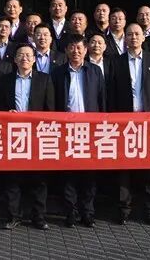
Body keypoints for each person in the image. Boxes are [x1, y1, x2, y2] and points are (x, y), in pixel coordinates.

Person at [110, 24, 150, 225]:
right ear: (125, 38)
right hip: (124, 123)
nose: (133, 37)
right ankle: (124, 209)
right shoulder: (116, 61)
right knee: (124, 168)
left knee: (149, 167)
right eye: (130, 34)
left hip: (148, 122)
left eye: (137, 34)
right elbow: (112, 92)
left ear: (144, 38)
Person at [50, 34, 106, 228]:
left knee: (89, 174)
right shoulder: (58, 72)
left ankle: (87, 212)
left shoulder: (95, 71)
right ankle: (70, 212)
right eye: (72, 48)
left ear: (86, 50)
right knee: (68, 173)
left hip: (90, 130)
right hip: (66, 130)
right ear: (66, 50)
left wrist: (103, 125)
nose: (76, 51)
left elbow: (102, 99)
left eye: (79, 47)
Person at [0, 44, 55, 230]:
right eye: (21, 55)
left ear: (34, 59)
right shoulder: (5, 80)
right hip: (13, 135)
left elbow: (50, 109)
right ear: (14, 59)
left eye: (29, 55)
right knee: (12, 178)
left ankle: (39, 217)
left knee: (39, 179)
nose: (24, 58)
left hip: (38, 135)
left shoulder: (44, 79)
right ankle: (13, 216)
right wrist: (7, 113)